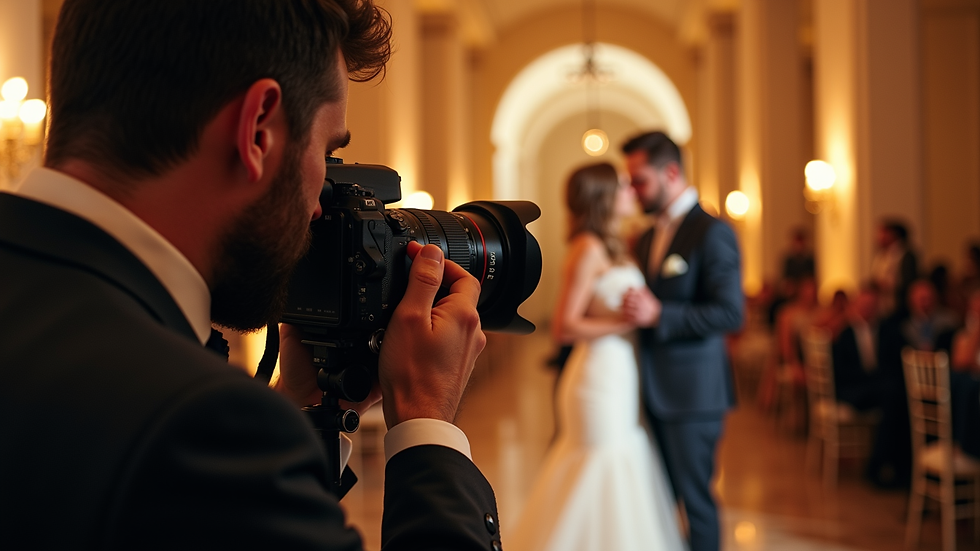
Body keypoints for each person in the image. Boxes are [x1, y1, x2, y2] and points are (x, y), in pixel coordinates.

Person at [0, 1, 499, 549]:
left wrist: (298, 411)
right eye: (329, 155)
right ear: (259, 129)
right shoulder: (202, 422)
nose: (320, 205)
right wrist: (429, 426)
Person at [509, 162, 684, 551]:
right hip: (596, 380)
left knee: (622, 459)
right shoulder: (586, 247)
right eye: (622, 186)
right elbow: (564, 326)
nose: (631, 192)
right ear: (603, 196)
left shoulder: (612, 244)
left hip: (619, 373)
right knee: (599, 464)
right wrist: (625, 324)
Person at [621, 131, 744, 551]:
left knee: (697, 504)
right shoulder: (651, 235)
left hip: (694, 396)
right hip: (652, 390)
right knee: (657, 501)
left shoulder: (712, 232)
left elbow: (731, 312)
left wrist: (661, 315)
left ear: (670, 172)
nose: (633, 190)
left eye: (639, 180)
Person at [870, 219, 918, 317]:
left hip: (899, 306)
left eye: (882, 233)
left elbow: (909, 282)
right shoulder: (881, 255)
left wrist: (889, 285)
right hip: (882, 306)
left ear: (893, 234)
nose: (878, 237)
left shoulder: (906, 255)